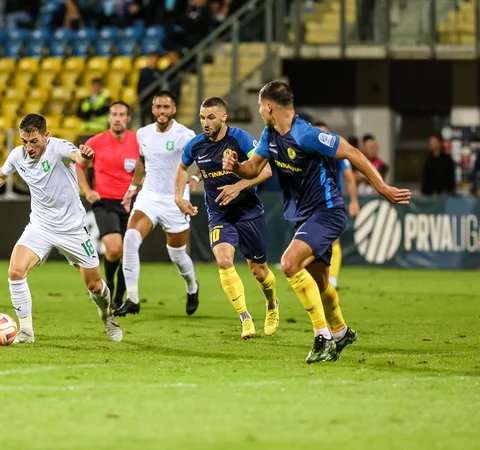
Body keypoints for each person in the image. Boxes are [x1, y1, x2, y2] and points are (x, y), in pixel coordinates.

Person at [223, 81, 410, 363]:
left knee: (289, 263)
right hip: (307, 216)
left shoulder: (306, 134)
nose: (259, 110)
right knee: (320, 284)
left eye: (260, 105)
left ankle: (322, 337)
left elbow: (352, 152)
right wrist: (236, 167)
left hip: (328, 211)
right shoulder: (269, 134)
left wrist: (381, 187)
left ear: (270, 106)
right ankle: (341, 330)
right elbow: (252, 169)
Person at [0, 114, 123, 344]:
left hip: (72, 229)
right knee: (15, 272)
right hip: (40, 226)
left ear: (46, 136)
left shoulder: (59, 147)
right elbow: (0, 177)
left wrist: (86, 156)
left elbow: (78, 157)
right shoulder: (18, 156)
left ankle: (107, 315)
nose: (29, 147)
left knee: (95, 285)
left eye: (34, 141)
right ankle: (27, 331)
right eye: (24, 141)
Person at [175, 97, 278, 339]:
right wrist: (178, 197)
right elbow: (181, 167)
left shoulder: (240, 139)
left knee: (260, 272)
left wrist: (238, 186)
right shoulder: (195, 145)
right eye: (202, 117)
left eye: (210, 117)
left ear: (223, 117)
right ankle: (245, 319)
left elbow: (266, 170)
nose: (205, 122)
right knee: (223, 261)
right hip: (219, 214)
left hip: (248, 212)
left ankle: (272, 304)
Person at [115, 91, 199, 317]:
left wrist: (197, 178)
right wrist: (133, 189)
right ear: (153, 110)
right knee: (130, 239)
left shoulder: (185, 134)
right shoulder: (143, 134)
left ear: (173, 110)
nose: (162, 111)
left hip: (176, 200)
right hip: (149, 197)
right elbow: (143, 162)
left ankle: (192, 287)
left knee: (177, 256)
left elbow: (204, 158)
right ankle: (132, 298)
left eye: (166, 107)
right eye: (158, 107)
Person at [76, 101, 140, 308]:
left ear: (128, 118)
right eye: (114, 114)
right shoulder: (95, 141)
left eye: (122, 114)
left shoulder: (138, 141)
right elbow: (78, 167)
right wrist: (87, 191)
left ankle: (120, 298)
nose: (118, 118)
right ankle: (110, 284)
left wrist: (140, 186)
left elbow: (147, 169)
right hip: (104, 201)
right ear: (109, 118)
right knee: (114, 250)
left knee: (127, 253)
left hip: (131, 202)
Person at [313, 121, 359, 290]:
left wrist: (354, 201)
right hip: (310, 202)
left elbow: (349, 177)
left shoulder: (336, 152)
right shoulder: (307, 152)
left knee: (333, 240)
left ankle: (332, 279)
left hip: (331, 200)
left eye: (325, 133)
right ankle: (317, 277)